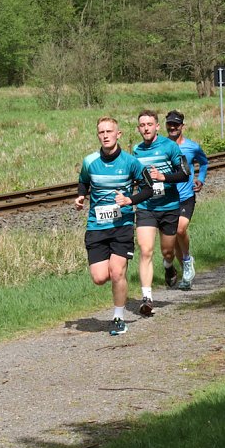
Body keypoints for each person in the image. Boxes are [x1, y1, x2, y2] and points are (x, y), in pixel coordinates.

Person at [75, 117, 152, 336]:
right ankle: (117, 282)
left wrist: (130, 200)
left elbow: (149, 188)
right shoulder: (90, 161)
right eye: (102, 132)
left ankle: (118, 317)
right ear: (98, 135)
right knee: (100, 278)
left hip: (122, 225)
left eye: (110, 131)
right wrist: (81, 196)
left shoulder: (131, 162)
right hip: (96, 226)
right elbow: (84, 181)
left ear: (118, 134)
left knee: (117, 272)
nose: (106, 135)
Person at [133, 110, 190, 316]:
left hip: (169, 207)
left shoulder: (170, 147)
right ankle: (147, 298)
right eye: (142, 125)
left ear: (157, 126)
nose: (146, 128)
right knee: (145, 250)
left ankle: (168, 266)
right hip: (146, 208)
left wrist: (163, 177)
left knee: (167, 252)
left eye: (149, 124)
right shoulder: (136, 150)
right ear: (139, 129)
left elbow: (185, 173)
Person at [165, 110, 208, 291]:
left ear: (182, 126)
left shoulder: (192, 147)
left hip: (186, 196)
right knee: (173, 241)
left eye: (176, 124)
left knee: (180, 229)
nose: (173, 127)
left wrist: (201, 179)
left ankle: (188, 259)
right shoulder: (162, 146)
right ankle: (186, 274)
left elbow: (204, 162)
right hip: (167, 199)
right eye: (170, 124)